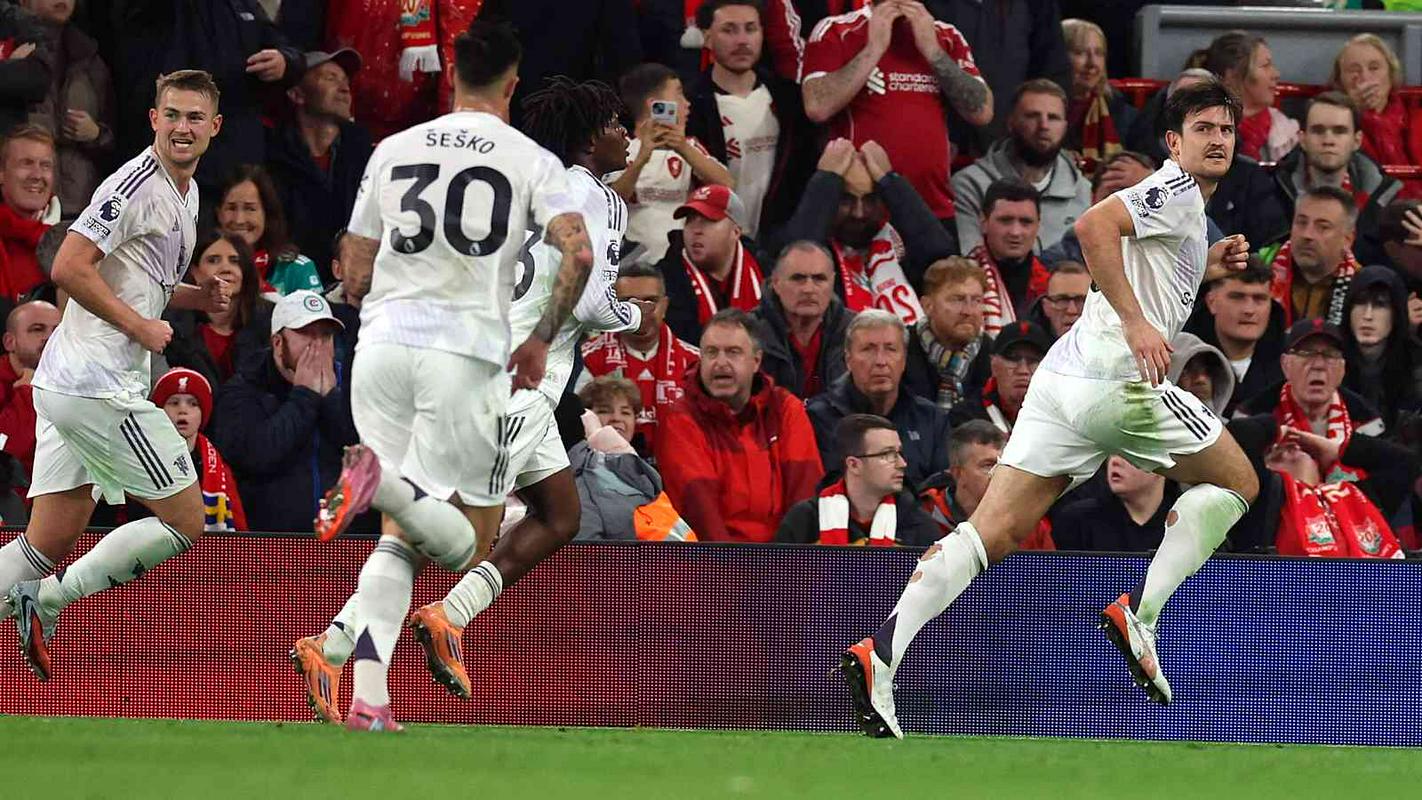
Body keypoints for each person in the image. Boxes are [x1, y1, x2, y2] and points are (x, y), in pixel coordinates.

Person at [840, 80, 1262, 738]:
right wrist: (1138, 325)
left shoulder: (1184, 212)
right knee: (1239, 481)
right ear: (1174, 143)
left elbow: (1144, 261)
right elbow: (1093, 227)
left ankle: (882, 654)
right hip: (1116, 380)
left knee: (991, 533)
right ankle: (1142, 616)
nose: (1218, 139)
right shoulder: (1175, 188)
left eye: (1226, 130)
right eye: (1202, 128)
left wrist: (1206, 264)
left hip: (1062, 380)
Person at [300, 21, 599, 732]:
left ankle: (367, 696)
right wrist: (541, 340)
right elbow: (579, 256)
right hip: (462, 357)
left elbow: (355, 262)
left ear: (452, 73)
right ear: (513, 80)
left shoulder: (393, 149)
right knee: (463, 542)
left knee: (397, 542)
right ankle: (382, 483)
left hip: (381, 350)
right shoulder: (529, 160)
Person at [402, 76, 656, 707]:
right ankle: (339, 640)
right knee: (451, 523)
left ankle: (450, 616)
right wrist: (636, 315)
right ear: (588, 137)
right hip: (518, 384)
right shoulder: (598, 197)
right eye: (616, 125)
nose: (628, 137)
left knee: (559, 515)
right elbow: (595, 303)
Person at [0, 70, 233, 683]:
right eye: (172, 115)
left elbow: (140, 280)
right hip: (96, 385)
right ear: (153, 119)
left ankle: (35, 588)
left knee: (44, 540)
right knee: (186, 519)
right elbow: (71, 267)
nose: (182, 128)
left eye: (194, 118)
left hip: (71, 384)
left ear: (214, 127)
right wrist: (138, 327)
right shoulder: (132, 184)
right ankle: (48, 601)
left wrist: (195, 299)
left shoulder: (187, 191)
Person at [803, 0, 992, 231]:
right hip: (861, 211)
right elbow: (817, 106)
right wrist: (874, 48)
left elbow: (981, 111)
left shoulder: (946, 35)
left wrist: (932, 51)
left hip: (932, 208)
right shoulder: (837, 30)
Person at [655, 308, 824, 543]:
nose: (720, 363)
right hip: (714, 566)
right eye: (711, 353)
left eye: (733, 352)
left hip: (786, 562)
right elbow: (699, 511)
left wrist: (786, 568)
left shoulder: (786, 409)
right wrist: (736, 573)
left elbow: (804, 495)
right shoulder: (681, 419)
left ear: (756, 361)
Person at [209, 289, 362, 532]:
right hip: (270, 543)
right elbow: (255, 457)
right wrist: (305, 396)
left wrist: (331, 399)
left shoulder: (352, 384)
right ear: (278, 343)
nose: (318, 347)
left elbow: (363, 450)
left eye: (326, 336)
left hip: (347, 542)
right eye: (307, 335)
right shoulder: (244, 389)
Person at [774, 138, 951, 325]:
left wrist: (890, 181)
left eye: (869, 200)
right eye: (847, 200)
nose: (859, 213)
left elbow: (941, 257)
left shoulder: (899, 242)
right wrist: (826, 180)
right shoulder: (817, 248)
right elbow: (797, 257)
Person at [686, 0, 814, 239]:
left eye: (751, 29)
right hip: (715, 244)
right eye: (729, 30)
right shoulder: (689, 107)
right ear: (707, 37)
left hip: (778, 243)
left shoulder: (790, 100)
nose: (742, 40)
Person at [807, 310, 951, 489]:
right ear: (848, 359)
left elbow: (941, 493)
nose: (880, 361)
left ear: (904, 359)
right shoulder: (817, 418)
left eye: (890, 349)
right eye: (868, 349)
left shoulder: (931, 418)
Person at [607, 63, 733, 267]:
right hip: (631, 265)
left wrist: (681, 146)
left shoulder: (690, 148)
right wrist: (642, 159)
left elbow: (727, 186)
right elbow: (608, 205)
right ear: (654, 105)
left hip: (681, 263)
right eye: (679, 95)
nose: (687, 103)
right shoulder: (622, 149)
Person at [952, 79, 1091, 254]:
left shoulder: (1082, 190)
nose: (1044, 126)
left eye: (1053, 118)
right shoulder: (970, 185)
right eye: (1032, 116)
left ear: (1064, 127)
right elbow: (971, 259)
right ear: (1011, 122)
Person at [266, 49, 374, 273]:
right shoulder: (270, 153)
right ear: (297, 94)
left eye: (345, 81)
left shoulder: (364, 152)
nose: (345, 89)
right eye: (330, 78)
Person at [1235, 319, 1385, 478]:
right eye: (1306, 353)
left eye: (1330, 355)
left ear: (1342, 369)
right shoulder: (1252, 417)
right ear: (1286, 365)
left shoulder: (1367, 422)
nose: (1319, 365)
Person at [1270, 92, 1401, 266]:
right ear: (1302, 139)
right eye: (1318, 131)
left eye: (1339, 131)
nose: (1328, 140)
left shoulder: (1383, 197)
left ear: (1357, 140)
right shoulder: (1273, 191)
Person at [582, 262, 700, 454]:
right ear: (613, 305)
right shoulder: (586, 359)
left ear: (665, 306)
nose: (640, 310)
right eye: (629, 301)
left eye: (650, 301)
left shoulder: (696, 363)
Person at [776, 414, 940, 546]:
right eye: (887, 454)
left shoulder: (919, 526)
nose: (902, 463)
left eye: (899, 453)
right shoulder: (805, 520)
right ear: (854, 465)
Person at [570, 376, 695, 543]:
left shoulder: (650, 474)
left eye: (626, 412)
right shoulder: (577, 471)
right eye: (605, 410)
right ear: (587, 418)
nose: (616, 418)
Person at [22, 0, 114, 218]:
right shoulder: (13, 50)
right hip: (24, 199)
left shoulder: (91, 59)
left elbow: (117, 137)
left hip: (81, 204)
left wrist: (96, 134)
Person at [915, 419, 1054, 549]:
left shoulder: (1028, 520)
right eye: (988, 465)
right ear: (958, 473)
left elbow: (1050, 573)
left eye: (1004, 464)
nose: (1000, 473)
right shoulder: (925, 515)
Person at [657, 184, 764, 345]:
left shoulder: (766, 271)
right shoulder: (663, 281)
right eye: (690, 221)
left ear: (735, 232)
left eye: (708, 220)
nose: (696, 230)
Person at [752, 240, 854, 399]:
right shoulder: (746, 332)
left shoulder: (856, 332)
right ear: (776, 283)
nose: (808, 289)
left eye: (819, 279)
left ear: (833, 282)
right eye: (798, 278)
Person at [162, 231, 264, 387]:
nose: (226, 268)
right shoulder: (171, 328)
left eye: (235, 261)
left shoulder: (268, 323)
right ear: (195, 271)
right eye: (213, 260)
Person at [151, 367, 246, 533]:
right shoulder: (143, 459)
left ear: (203, 413)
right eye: (174, 402)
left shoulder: (219, 467)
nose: (183, 410)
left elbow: (239, 525)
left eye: (193, 404)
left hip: (206, 554)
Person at [1260, 186, 1363, 327]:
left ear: (1347, 239)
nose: (1307, 235)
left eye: (1323, 227)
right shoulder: (1261, 272)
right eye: (1301, 222)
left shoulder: (1362, 288)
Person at [215, 164, 323, 297]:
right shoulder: (204, 267)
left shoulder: (296, 269)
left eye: (250, 208)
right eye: (231, 208)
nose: (239, 220)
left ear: (267, 213)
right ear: (219, 214)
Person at [964, 178, 1052, 337]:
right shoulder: (958, 281)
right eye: (1005, 221)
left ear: (1038, 226)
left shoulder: (1051, 287)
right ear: (983, 222)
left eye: (1026, 222)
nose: (1015, 232)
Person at [1191, 31, 1295, 163]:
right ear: (1232, 76)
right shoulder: (1198, 130)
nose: (1276, 74)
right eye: (1265, 65)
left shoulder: (1287, 133)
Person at [902, 256, 991, 408]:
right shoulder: (900, 350)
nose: (968, 311)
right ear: (927, 305)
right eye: (957, 299)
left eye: (976, 300)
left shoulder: (994, 357)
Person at [1341, 266, 1422, 432]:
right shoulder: (1330, 359)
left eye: (1380, 305)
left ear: (1396, 314)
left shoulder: (1417, 365)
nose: (1368, 315)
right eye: (1360, 303)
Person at [1195, 261, 1284, 412]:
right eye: (1237, 297)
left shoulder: (1288, 365)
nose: (1249, 310)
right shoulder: (1184, 361)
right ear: (1212, 302)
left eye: (1259, 299)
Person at [1052, 456, 1181, 552]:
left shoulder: (1188, 519)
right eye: (1111, 452)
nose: (1115, 461)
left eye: (1128, 455)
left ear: (1162, 463)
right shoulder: (1076, 520)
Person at [1331, 33, 1422, 167]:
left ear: (1391, 74)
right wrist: (1354, 112)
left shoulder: (1415, 115)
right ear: (1340, 81)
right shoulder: (1330, 121)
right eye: (1354, 70)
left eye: (1374, 68)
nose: (1365, 77)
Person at [948, 319, 1051, 433]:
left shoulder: (1061, 418)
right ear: (993, 365)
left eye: (1034, 360)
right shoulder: (965, 418)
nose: (1023, 370)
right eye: (1013, 358)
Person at [1061, 18, 1136, 171]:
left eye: (1099, 53)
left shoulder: (1122, 112)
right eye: (1080, 52)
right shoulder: (1040, 110)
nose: (1092, 64)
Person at [0, 125, 61, 303]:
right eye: (26, 163)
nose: (37, 175)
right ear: (2, 173)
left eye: (45, 165)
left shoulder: (72, 241)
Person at [0, 299, 57, 478]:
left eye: (58, 331)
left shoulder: (75, 380)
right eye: (37, 329)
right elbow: (7, 455)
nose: (51, 338)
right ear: (10, 342)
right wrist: (27, 393)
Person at [1166, 332, 1235, 417]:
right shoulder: (1150, 428)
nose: (1201, 379)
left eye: (1207, 370)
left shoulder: (1233, 429)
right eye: (1186, 372)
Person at [1033, 261, 1089, 338]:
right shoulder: (1029, 346)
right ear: (1046, 307)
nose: (1072, 310)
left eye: (1081, 300)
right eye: (1062, 300)